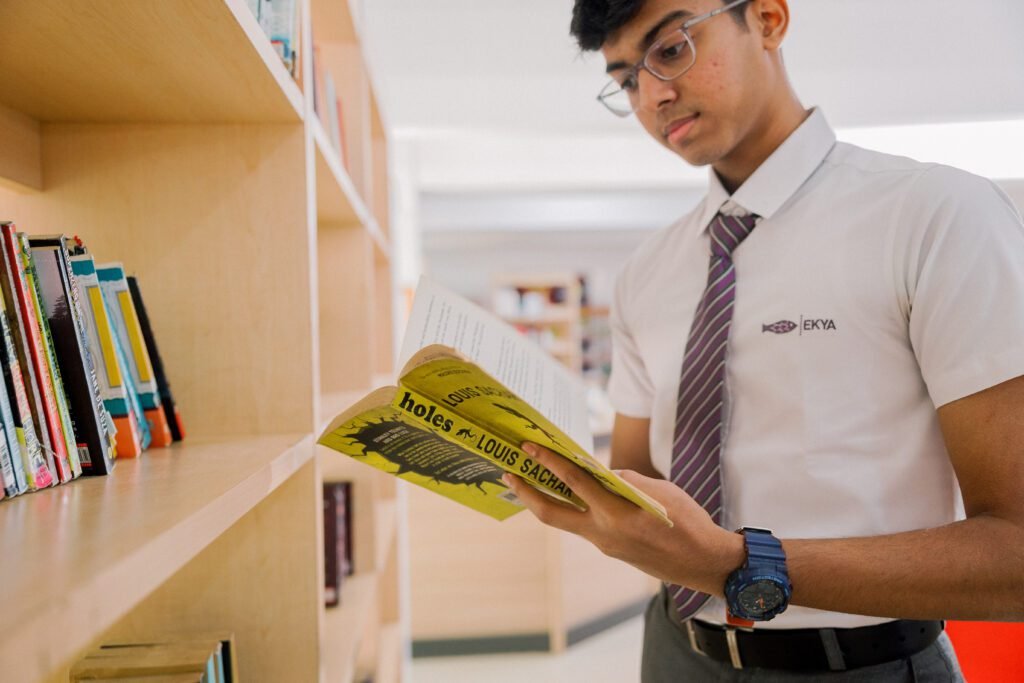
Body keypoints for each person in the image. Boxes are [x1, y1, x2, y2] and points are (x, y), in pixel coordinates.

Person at [499, 0, 1024, 680]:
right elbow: (638, 484)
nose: (653, 95)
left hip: (862, 662)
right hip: (675, 650)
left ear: (770, 20)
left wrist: (730, 562)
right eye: (627, 78)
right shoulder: (647, 273)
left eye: (671, 48)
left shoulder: (936, 216)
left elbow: (1013, 554)